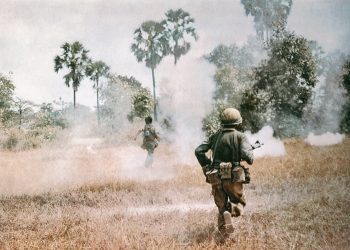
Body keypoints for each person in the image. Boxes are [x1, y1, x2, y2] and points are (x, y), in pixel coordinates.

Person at [195, 108, 254, 239]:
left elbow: (198, 150)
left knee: (221, 209)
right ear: (238, 122)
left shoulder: (215, 136)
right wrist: (250, 151)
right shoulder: (240, 136)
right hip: (233, 178)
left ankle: (223, 238)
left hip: (215, 177)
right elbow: (249, 158)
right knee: (240, 203)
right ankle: (231, 211)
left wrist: (207, 165)